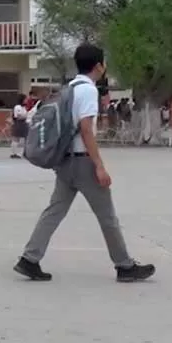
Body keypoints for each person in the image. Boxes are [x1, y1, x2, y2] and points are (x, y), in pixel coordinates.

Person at [15, 44, 154, 283]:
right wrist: (99, 165)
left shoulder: (68, 89)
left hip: (65, 162)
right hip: (83, 162)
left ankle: (29, 258)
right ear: (98, 66)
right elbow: (86, 129)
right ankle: (124, 265)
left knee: (54, 211)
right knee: (107, 216)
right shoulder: (88, 91)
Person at [8, 93, 29, 159]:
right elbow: (18, 116)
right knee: (16, 138)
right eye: (25, 99)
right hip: (19, 123)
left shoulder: (24, 107)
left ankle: (21, 153)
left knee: (24, 139)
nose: (26, 100)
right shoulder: (17, 107)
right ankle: (13, 153)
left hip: (24, 123)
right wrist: (25, 116)